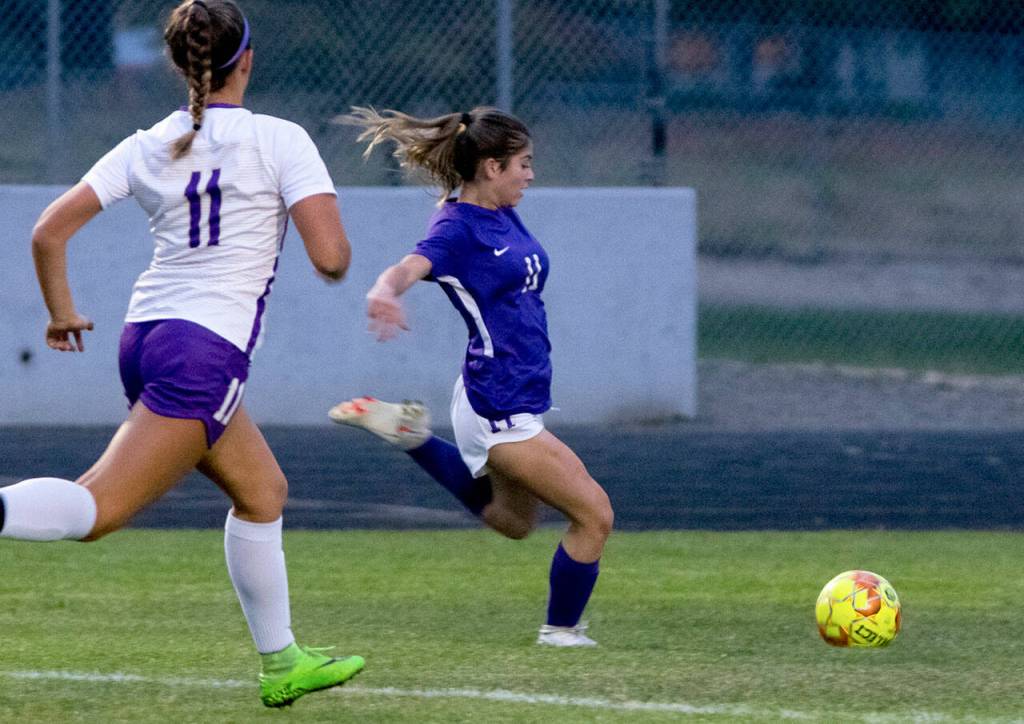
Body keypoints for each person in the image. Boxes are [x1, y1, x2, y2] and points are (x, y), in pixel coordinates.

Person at [0, 0, 364, 707]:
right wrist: (331, 246)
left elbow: (49, 231)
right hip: (204, 352)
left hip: (147, 339)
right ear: (247, 59)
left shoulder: (146, 143)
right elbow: (331, 257)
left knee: (262, 493)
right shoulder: (280, 140)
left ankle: (283, 661)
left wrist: (62, 312)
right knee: (96, 511)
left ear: (177, 64)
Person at [330, 106, 614, 647]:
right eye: (523, 164)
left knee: (514, 522)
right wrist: (384, 291)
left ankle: (413, 437)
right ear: (491, 167)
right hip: (497, 405)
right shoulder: (456, 226)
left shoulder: (503, 210)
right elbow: (412, 265)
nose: (530, 174)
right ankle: (561, 632)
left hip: (509, 396)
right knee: (595, 515)